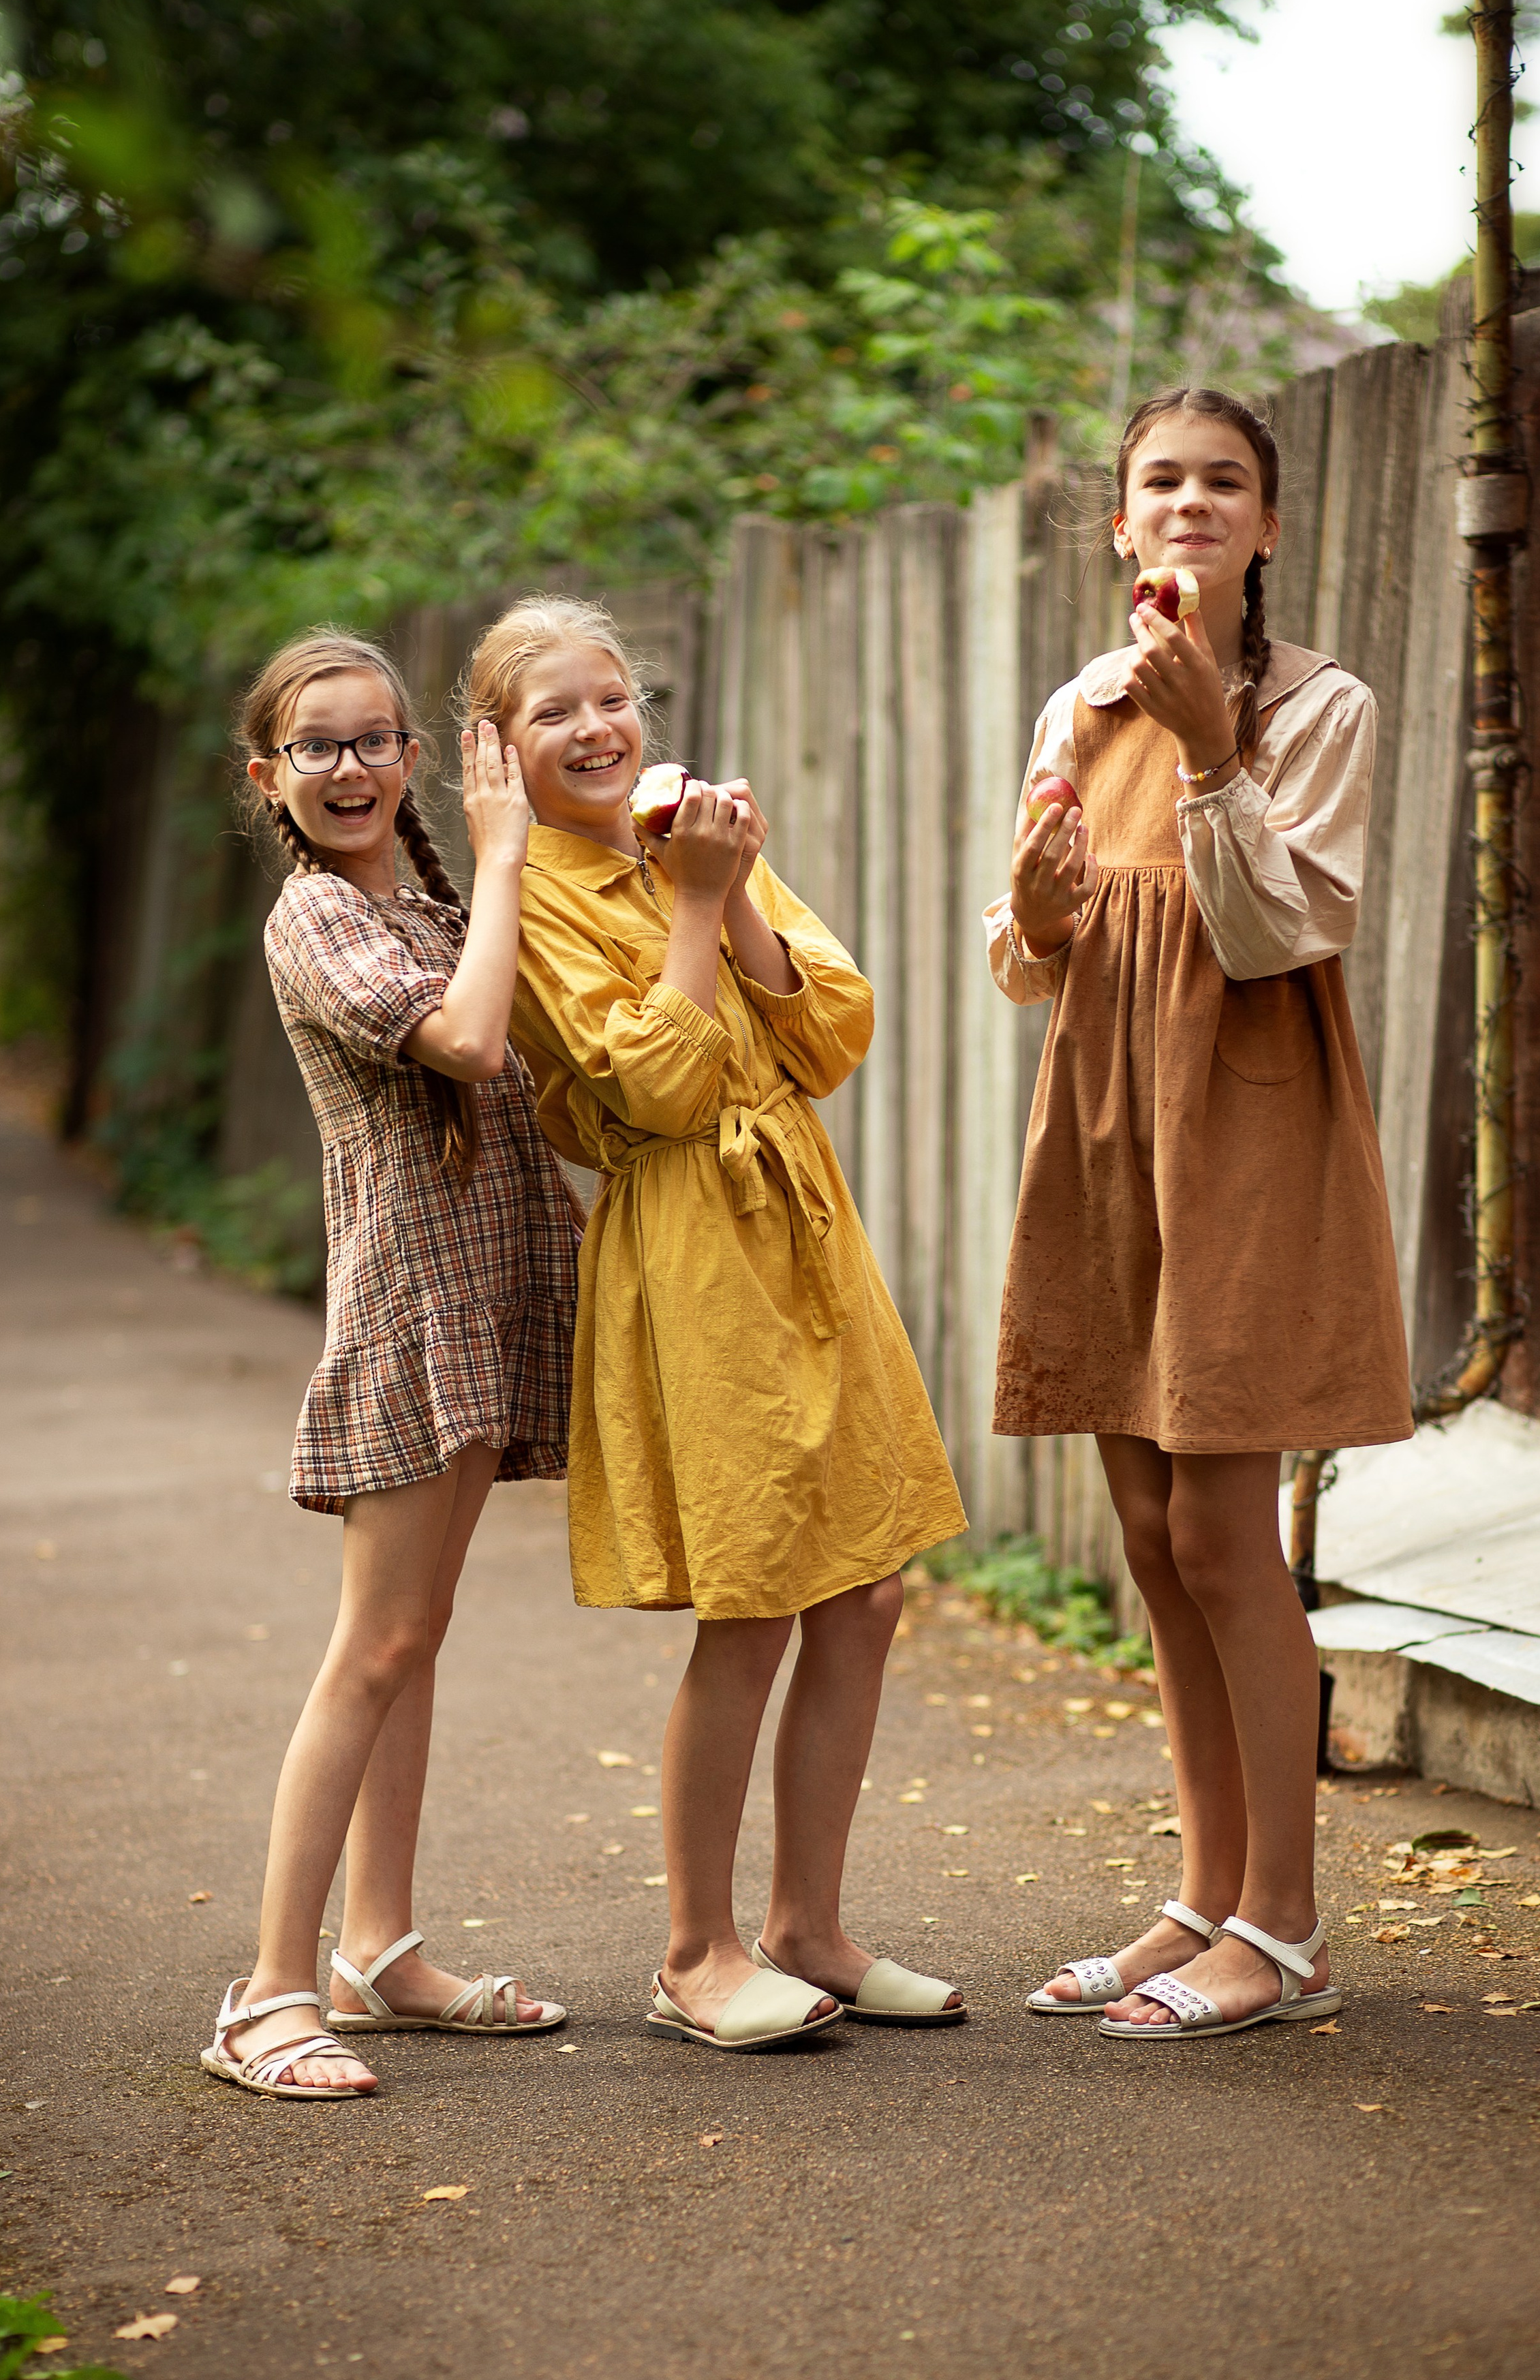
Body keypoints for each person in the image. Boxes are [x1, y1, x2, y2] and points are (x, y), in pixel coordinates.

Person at [461, 596, 968, 2052]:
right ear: (499, 751)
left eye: (609, 698)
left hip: (804, 1225)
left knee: (863, 1591)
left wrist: (728, 887)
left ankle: (808, 1926)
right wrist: (692, 907)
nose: (594, 728)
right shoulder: (531, 896)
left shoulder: (691, 841)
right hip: (690, 1245)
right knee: (753, 1601)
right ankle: (696, 1952)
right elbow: (660, 1089)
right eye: (553, 712)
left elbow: (829, 1034)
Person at [989, 390, 1412, 2043]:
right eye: (1159, 481)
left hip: (1241, 1129)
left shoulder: (1319, 709)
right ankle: (1205, 1892)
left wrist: (1211, 754)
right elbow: (1028, 958)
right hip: (1107, 1127)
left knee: (1228, 1535)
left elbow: (1269, 935)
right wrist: (1034, 918)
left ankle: (1284, 1930)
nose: (1189, 503)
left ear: (1267, 525)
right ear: (1121, 524)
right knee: (1152, 1537)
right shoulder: (1077, 705)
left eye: (1222, 482)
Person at [200, 629, 576, 2101]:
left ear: (413, 757)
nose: (349, 767)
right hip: (412, 1310)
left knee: (413, 1637)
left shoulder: (420, 906)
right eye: (318, 747)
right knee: (372, 1647)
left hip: (481, 1298)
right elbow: (473, 1043)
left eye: (373, 740)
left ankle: (377, 1951)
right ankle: (267, 1997)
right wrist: (507, 854)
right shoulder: (316, 921)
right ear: (270, 778)